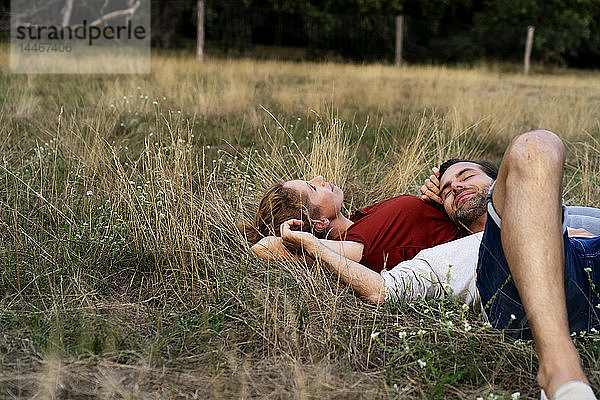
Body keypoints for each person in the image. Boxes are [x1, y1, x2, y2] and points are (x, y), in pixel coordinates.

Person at [279, 130, 600, 399]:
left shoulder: (364, 215)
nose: (456, 187)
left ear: (499, 184)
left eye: (466, 177)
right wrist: (307, 244)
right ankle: (559, 370)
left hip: (582, 253)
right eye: (446, 190)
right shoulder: (461, 254)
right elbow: (380, 289)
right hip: (531, 281)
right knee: (534, 145)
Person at [242, 176, 464, 272]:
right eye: (313, 189)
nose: (319, 179)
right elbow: (265, 248)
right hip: (484, 244)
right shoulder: (353, 245)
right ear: (319, 223)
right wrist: (298, 241)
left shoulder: (360, 220)